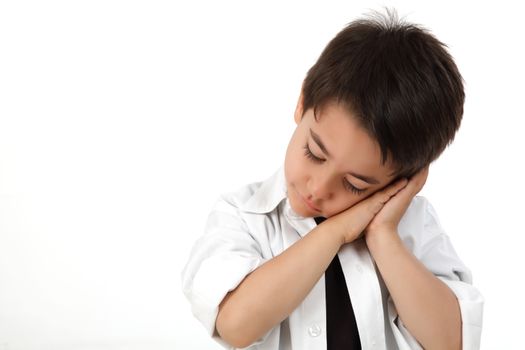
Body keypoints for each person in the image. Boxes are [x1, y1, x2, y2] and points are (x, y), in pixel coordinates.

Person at [181, 8, 483, 350]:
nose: (318, 188)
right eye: (314, 153)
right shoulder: (242, 216)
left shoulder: (415, 225)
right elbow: (236, 324)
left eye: (355, 184)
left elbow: (452, 342)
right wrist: (337, 231)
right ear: (301, 104)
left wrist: (383, 235)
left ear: (403, 179)